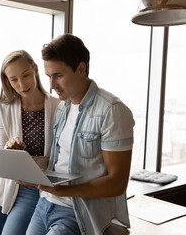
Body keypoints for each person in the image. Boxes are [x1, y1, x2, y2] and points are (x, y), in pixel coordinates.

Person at [18, 34, 135, 235]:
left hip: (77, 210)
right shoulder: (64, 107)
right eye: (48, 76)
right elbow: (62, 163)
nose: (52, 85)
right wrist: (27, 164)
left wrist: (64, 191)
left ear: (81, 69)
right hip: (45, 203)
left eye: (58, 75)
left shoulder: (112, 111)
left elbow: (117, 183)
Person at [0, 50, 60, 235]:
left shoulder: (59, 108)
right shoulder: (3, 109)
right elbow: (0, 160)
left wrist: (31, 160)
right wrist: (9, 151)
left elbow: (60, 159)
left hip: (33, 189)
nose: (22, 84)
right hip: (3, 186)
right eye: (14, 79)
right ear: (7, 81)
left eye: (25, 75)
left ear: (36, 70)